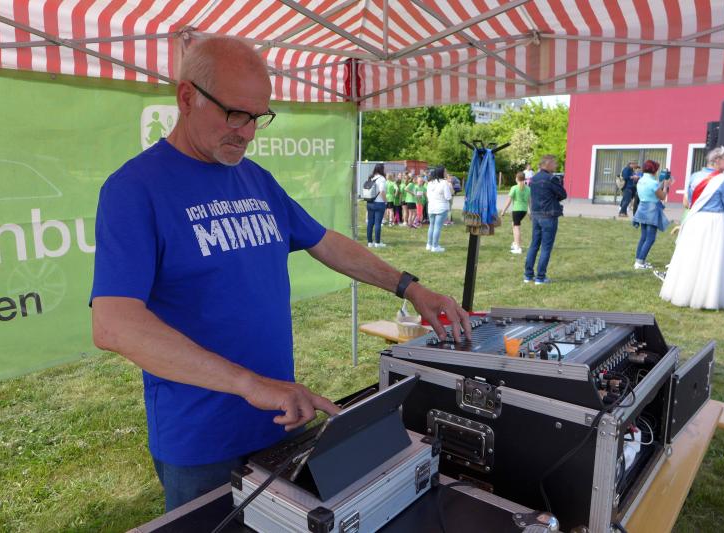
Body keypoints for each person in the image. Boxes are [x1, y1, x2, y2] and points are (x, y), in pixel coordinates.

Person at [90, 36, 472, 512]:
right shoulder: (134, 189)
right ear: (186, 97)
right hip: (201, 441)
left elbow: (325, 242)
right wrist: (251, 385)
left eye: (258, 117)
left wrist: (409, 287)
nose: (248, 133)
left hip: (281, 418)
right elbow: (114, 324)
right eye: (236, 114)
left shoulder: (256, 179)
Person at [660, 146, 724, 309]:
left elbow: (688, 202)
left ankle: (681, 293)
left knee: (690, 256)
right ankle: (707, 298)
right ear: (717, 160)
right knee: (710, 258)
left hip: (695, 219)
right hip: (715, 221)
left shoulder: (694, 176)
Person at [524, 155, 566, 284]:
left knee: (534, 245)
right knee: (546, 247)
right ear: (547, 164)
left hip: (536, 215)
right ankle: (540, 277)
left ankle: (528, 275)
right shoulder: (551, 178)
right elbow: (563, 194)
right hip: (548, 215)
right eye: (554, 163)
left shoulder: (534, 178)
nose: (556, 165)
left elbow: (533, 196)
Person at [631, 160, 671, 270]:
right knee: (650, 238)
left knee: (643, 237)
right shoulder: (653, 183)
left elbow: (652, 192)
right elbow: (662, 196)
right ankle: (640, 262)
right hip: (651, 210)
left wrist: (661, 183)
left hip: (642, 208)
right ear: (654, 170)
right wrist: (666, 186)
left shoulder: (641, 180)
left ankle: (639, 260)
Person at [500, 171, 530, 254]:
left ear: (516, 179)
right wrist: (530, 212)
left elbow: (508, 201)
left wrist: (503, 211)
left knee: (517, 228)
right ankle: (515, 243)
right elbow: (530, 201)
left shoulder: (514, 188)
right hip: (524, 211)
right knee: (514, 224)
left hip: (517, 210)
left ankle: (518, 247)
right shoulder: (528, 188)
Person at [426, 166, 453, 252]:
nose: (446, 173)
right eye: (445, 172)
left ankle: (429, 245)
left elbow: (428, 196)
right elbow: (448, 197)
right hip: (441, 207)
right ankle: (435, 246)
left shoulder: (430, 183)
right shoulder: (444, 183)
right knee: (437, 227)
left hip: (431, 207)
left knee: (431, 226)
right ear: (441, 173)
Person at [365, 163, 387, 248]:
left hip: (370, 202)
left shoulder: (371, 177)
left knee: (370, 223)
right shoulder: (382, 179)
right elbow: (382, 191)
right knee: (378, 223)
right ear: (382, 169)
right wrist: (385, 201)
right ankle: (377, 243)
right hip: (379, 203)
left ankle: (370, 242)